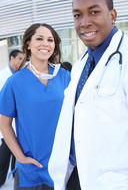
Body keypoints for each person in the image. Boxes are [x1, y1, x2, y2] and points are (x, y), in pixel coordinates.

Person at [48, 0, 128, 190]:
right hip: (76, 177)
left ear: (113, 15)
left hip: (117, 183)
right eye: (77, 15)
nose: (85, 22)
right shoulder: (81, 65)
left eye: (94, 12)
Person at [0, 23, 71, 190]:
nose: (45, 43)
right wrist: (21, 158)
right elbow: (4, 124)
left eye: (50, 40)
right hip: (31, 171)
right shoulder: (14, 82)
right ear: (28, 44)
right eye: (39, 38)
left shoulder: (65, 77)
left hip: (62, 168)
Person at [0, 49, 24, 188]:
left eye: (23, 59)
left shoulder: (21, 75)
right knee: (6, 149)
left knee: (18, 148)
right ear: (12, 58)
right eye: (19, 58)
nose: (21, 61)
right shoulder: (3, 75)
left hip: (19, 119)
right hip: (6, 117)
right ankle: (1, 178)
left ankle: (16, 176)